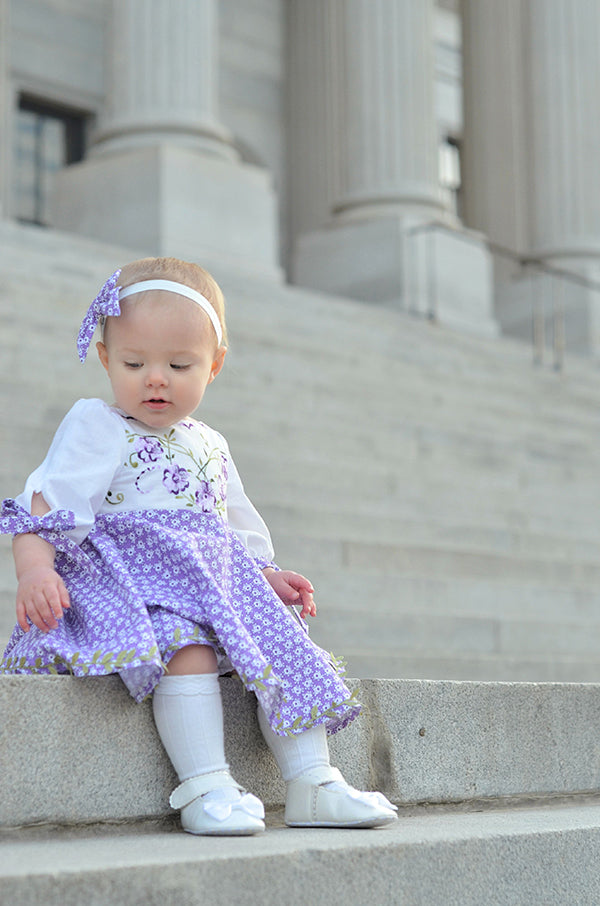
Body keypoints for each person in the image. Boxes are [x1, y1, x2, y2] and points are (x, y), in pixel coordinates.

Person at [0, 257, 397, 835]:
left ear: (214, 366)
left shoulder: (210, 442)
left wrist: (265, 574)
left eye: (179, 364)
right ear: (107, 359)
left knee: (279, 639)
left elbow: (234, 522)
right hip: (140, 584)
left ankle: (314, 780)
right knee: (188, 650)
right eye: (134, 362)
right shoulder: (98, 425)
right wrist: (35, 570)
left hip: (217, 580)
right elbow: (47, 504)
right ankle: (207, 785)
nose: (155, 378)